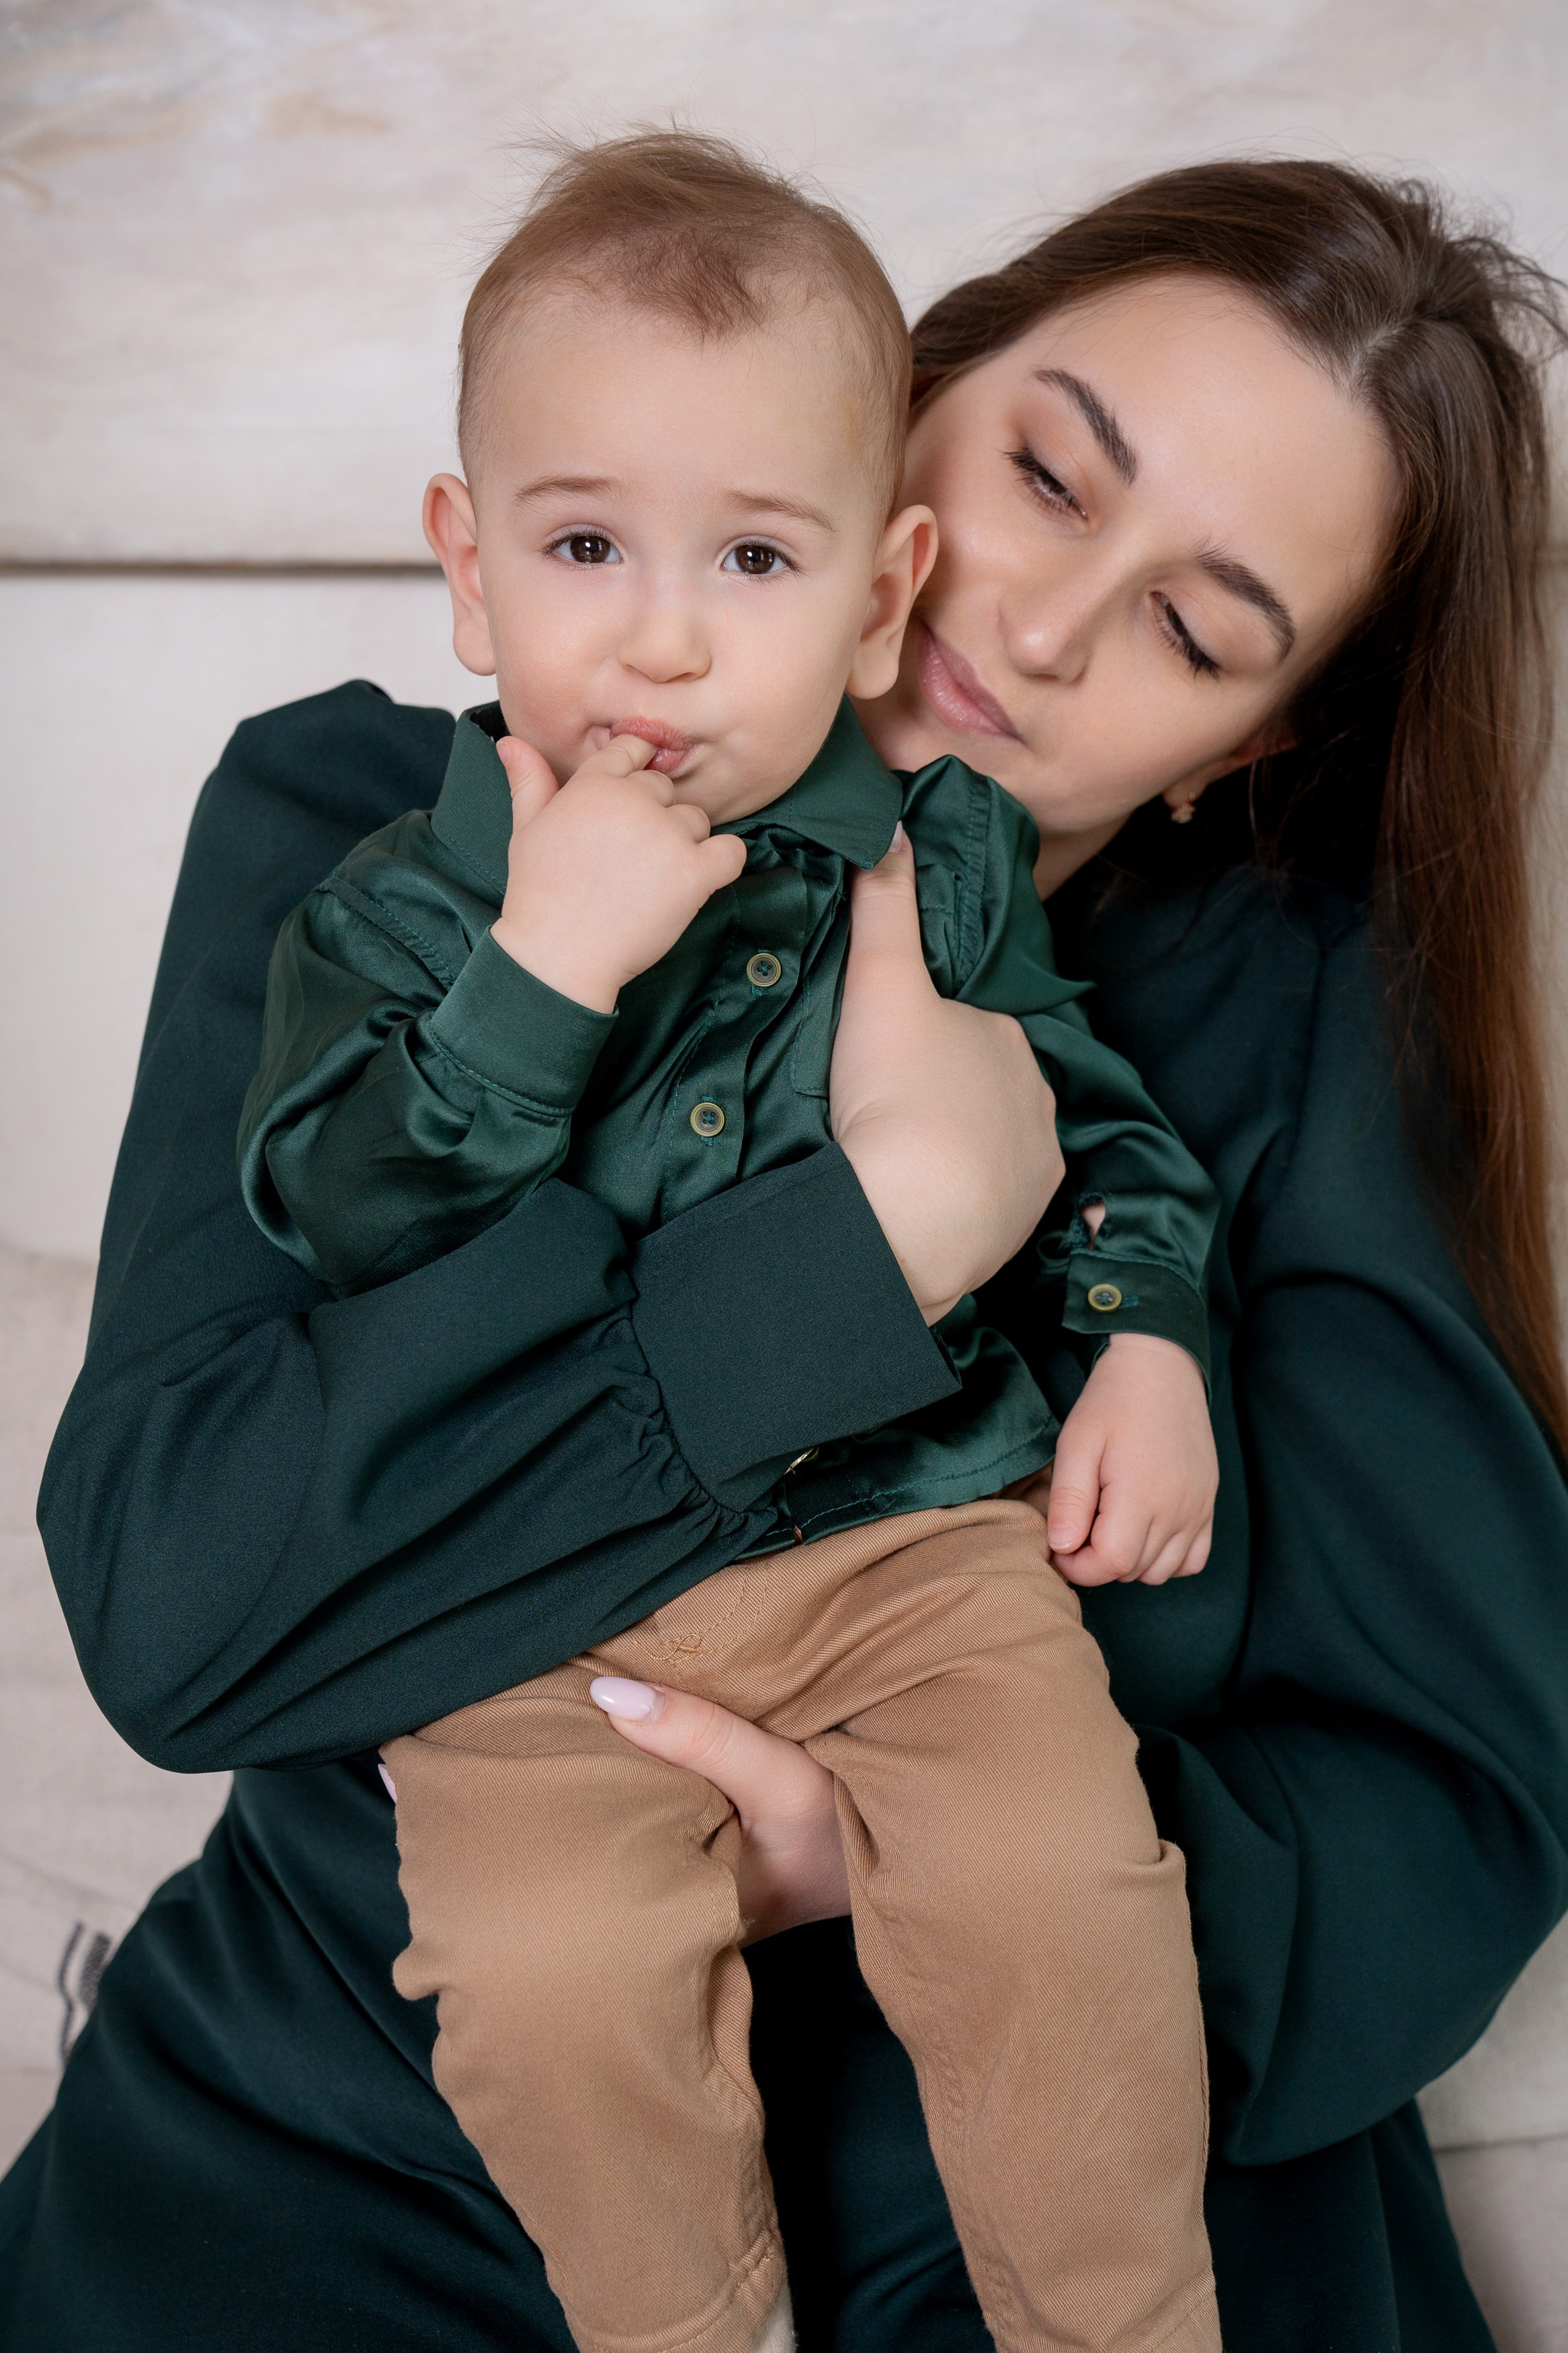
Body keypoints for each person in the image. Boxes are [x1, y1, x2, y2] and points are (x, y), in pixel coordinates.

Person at [4, 157, 1566, 2353]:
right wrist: (877, 1246)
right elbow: (176, 1608)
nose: (1034, 625)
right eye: (1042, 472)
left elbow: (1457, 1804)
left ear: (1263, 741)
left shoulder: (1291, 1025)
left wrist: (902, 1852)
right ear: (909, 406)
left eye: (1198, 628)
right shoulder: (369, 844)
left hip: (1037, 2148)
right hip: (352, 2108)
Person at [237, 134, 1221, 2353]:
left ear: (879, 600)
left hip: (919, 1554)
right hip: (527, 1622)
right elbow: (341, 1218)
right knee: (544, 1977)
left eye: (755, 557)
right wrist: (541, 975)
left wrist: (1149, 1336)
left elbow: (1104, 1131)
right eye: (586, 544)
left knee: (1064, 1894)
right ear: (470, 573)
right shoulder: (397, 904)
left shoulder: (935, 857)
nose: (662, 635)